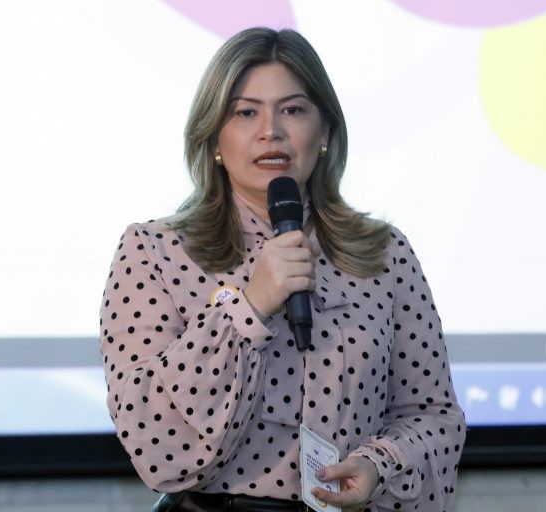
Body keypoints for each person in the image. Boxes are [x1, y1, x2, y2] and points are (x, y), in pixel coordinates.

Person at [100, 27, 465, 512]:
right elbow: (153, 440)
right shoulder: (155, 252)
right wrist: (250, 306)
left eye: (292, 110)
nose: (270, 130)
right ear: (213, 137)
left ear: (326, 133)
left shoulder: (384, 253)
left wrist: (379, 465)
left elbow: (434, 416)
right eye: (245, 112)